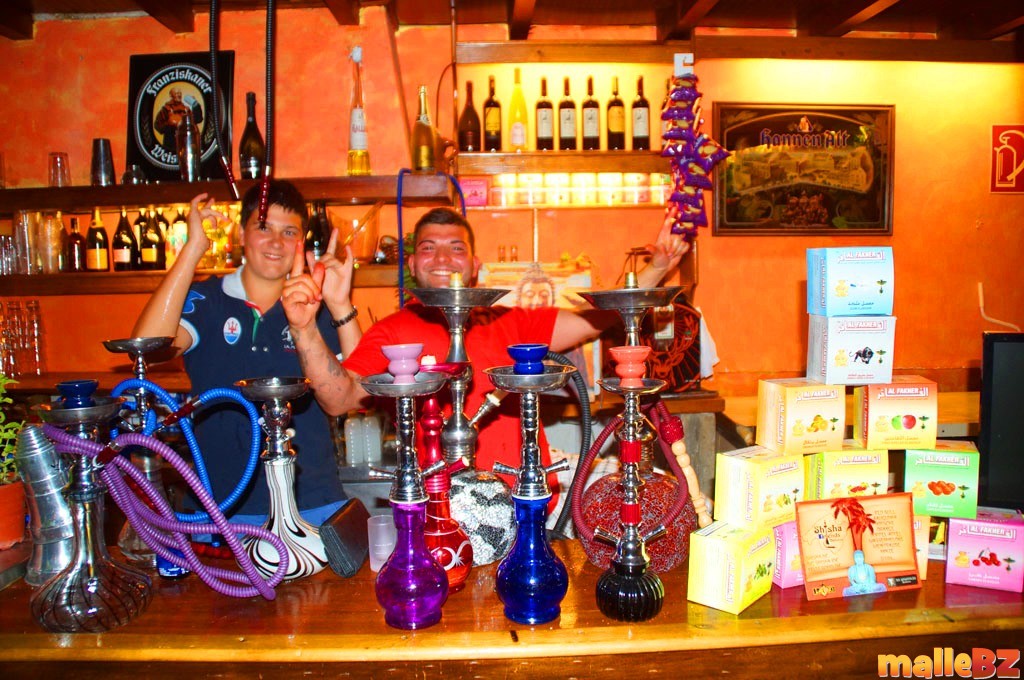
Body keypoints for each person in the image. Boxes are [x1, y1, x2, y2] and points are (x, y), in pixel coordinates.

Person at [282, 205, 689, 489]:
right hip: (438, 510)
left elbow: (597, 318)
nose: (442, 257)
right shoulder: (393, 331)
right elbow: (338, 399)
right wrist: (304, 328)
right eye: (428, 248)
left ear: (475, 266)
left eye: (456, 248)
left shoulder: (509, 322)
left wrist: (655, 268)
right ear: (412, 266)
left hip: (522, 505)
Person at [132, 180, 361, 526]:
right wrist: (193, 249)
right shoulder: (207, 300)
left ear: (301, 242)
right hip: (220, 509)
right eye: (263, 227)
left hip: (312, 503)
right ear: (241, 234)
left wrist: (339, 304)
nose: (276, 242)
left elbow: (354, 396)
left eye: (289, 232)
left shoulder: (316, 304)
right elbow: (146, 350)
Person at [154, 87, 204, 154]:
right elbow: (157, 125)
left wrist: (196, 106)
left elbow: (197, 120)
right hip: (171, 142)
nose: (179, 95)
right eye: (176, 93)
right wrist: (170, 125)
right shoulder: (165, 109)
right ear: (171, 95)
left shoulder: (186, 109)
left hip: (185, 142)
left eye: (180, 93)